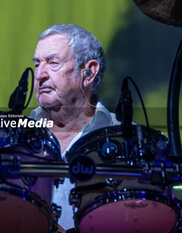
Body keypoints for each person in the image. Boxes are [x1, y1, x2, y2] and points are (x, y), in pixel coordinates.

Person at [30, 24, 120, 231]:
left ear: (88, 73)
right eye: (36, 65)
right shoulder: (15, 135)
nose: (40, 75)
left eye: (53, 63)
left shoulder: (126, 140)